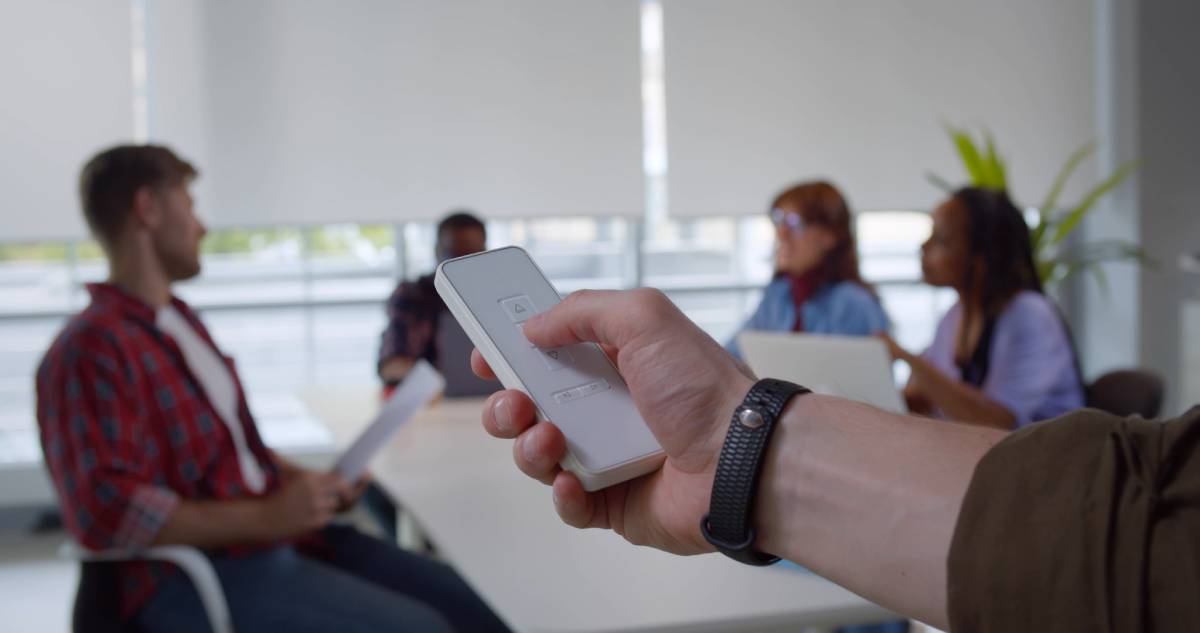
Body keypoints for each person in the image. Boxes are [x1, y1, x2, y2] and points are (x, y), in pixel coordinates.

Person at [471, 288, 1198, 632]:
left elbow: (1150, 534)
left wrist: (741, 447)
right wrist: (735, 445)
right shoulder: (784, 295)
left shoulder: (862, 304)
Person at [35, 145, 510, 632]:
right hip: (194, 575)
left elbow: (233, 452)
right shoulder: (89, 348)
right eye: (189, 203)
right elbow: (109, 512)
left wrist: (308, 486)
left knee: (477, 608)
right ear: (148, 209)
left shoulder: (180, 324)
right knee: (423, 627)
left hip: (282, 542)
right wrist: (268, 516)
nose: (201, 225)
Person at [879, 187, 1084, 430]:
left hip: (1046, 463)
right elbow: (923, 399)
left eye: (941, 240)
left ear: (980, 258)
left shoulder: (1030, 316)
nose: (924, 247)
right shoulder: (955, 316)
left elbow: (998, 424)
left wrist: (906, 358)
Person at [726, 181, 889, 358]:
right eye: (778, 220)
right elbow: (732, 354)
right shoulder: (777, 295)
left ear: (830, 236)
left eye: (795, 223)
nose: (781, 234)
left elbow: (862, 379)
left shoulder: (853, 303)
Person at [377, 211, 500, 397]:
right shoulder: (413, 295)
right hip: (434, 405)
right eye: (453, 254)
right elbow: (390, 365)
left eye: (471, 255)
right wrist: (444, 380)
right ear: (437, 251)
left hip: (492, 399)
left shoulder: (498, 295)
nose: (461, 264)